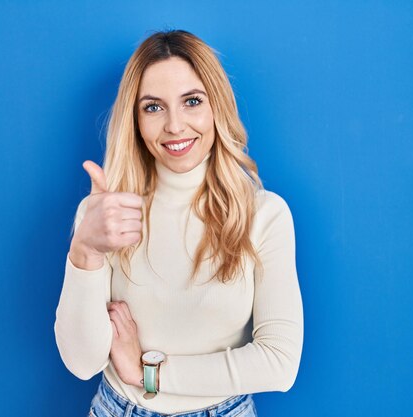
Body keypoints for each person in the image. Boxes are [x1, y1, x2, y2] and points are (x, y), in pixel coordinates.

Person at [54, 30, 303, 417]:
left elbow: (279, 363)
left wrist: (148, 372)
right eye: (153, 107)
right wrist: (84, 250)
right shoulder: (106, 212)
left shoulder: (264, 215)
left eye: (192, 101)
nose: (174, 125)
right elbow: (82, 363)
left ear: (216, 106)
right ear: (135, 119)